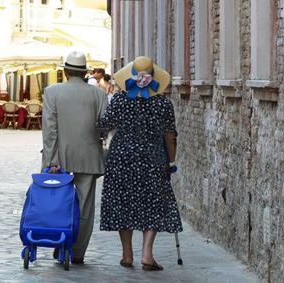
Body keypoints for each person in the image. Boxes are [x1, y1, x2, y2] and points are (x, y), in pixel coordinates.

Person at [98, 56, 183, 271]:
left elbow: (104, 125)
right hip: (152, 157)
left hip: (121, 157)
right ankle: (147, 254)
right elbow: (170, 134)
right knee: (153, 202)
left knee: (122, 202)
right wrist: (171, 159)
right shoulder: (163, 103)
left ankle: (127, 255)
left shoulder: (118, 100)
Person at [42, 51, 107, 264]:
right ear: (85, 72)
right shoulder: (98, 94)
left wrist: (51, 160)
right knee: (85, 205)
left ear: (65, 71)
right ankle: (77, 251)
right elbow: (105, 126)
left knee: (58, 203)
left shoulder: (52, 92)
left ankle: (60, 242)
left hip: (59, 156)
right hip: (88, 155)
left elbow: (50, 130)